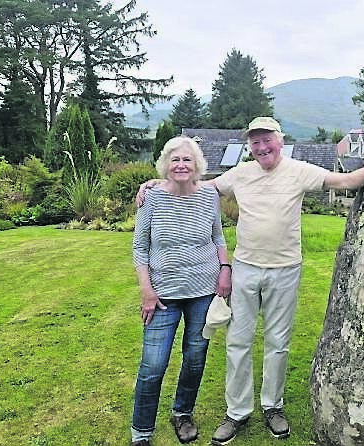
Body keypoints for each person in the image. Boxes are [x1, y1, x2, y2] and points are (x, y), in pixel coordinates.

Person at [136, 117, 364, 445]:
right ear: (249, 146)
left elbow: (347, 180)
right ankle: (236, 411)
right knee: (237, 342)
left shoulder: (300, 170)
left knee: (277, 341)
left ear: (279, 141)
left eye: (267, 140)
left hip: (285, 270)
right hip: (245, 269)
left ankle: (273, 406)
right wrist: (155, 183)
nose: (261, 147)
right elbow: (198, 185)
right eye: (255, 142)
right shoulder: (240, 172)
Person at [130, 136, 232, 446]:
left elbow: (218, 236)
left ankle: (182, 413)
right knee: (153, 365)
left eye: (187, 159)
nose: (181, 164)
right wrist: (147, 291)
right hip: (162, 295)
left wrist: (225, 270)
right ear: (165, 165)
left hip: (203, 291)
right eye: (175, 159)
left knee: (195, 358)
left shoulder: (209, 196)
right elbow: (139, 247)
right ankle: (141, 432)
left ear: (197, 165)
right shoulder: (152, 198)